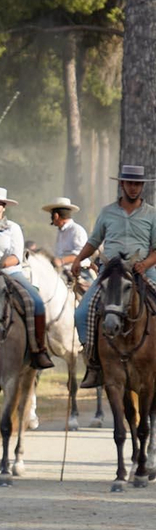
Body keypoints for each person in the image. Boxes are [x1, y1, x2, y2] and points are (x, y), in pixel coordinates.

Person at [70, 164, 156, 389]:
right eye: (130, 183)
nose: (134, 188)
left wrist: (145, 263)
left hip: (143, 270)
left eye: (137, 184)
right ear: (122, 185)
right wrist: (79, 259)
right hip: (111, 273)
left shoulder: (152, 213)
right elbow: (94, 241)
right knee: (81, 313)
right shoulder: (107, 212)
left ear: (141, 186)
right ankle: (93, 364)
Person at [0, 186, 55, 370]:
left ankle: (38, 349)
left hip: (10, 272)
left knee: (35, 302)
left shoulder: (13, 228)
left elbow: (16, 256)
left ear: (4, 206)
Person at [43, 197, 88, 269]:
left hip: (79, 268)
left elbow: (81, 254)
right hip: (63, 268)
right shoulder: (61, 231)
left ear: (56, 216)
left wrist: (61, 261)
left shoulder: (76, 230)